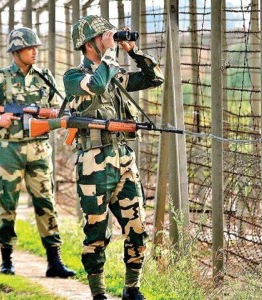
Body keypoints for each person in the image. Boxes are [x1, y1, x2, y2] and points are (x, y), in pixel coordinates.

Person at [64, 15, 164, 300]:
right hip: (94, 164)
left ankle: (132, 288)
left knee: (137, 227)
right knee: (96, 232)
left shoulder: (115, 73)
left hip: (123, 160)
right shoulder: (74, 77)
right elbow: (95, 85)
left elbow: (154, 78)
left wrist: (133, 52)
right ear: (88, 44)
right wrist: (109, 54)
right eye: (103, 37)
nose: (109, 41)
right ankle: (98, 293)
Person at [0, 27, 75, 278]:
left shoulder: (45, 77)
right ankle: (7, 260)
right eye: (30, 47)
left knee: (46, 202)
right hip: (8, 150)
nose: (35, 51)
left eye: (36, 47)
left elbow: (57, 107)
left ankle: (54, 261)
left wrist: (56, 117)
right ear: (16, 51)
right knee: (7, 204)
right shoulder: (0, 77)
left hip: (39, 148)